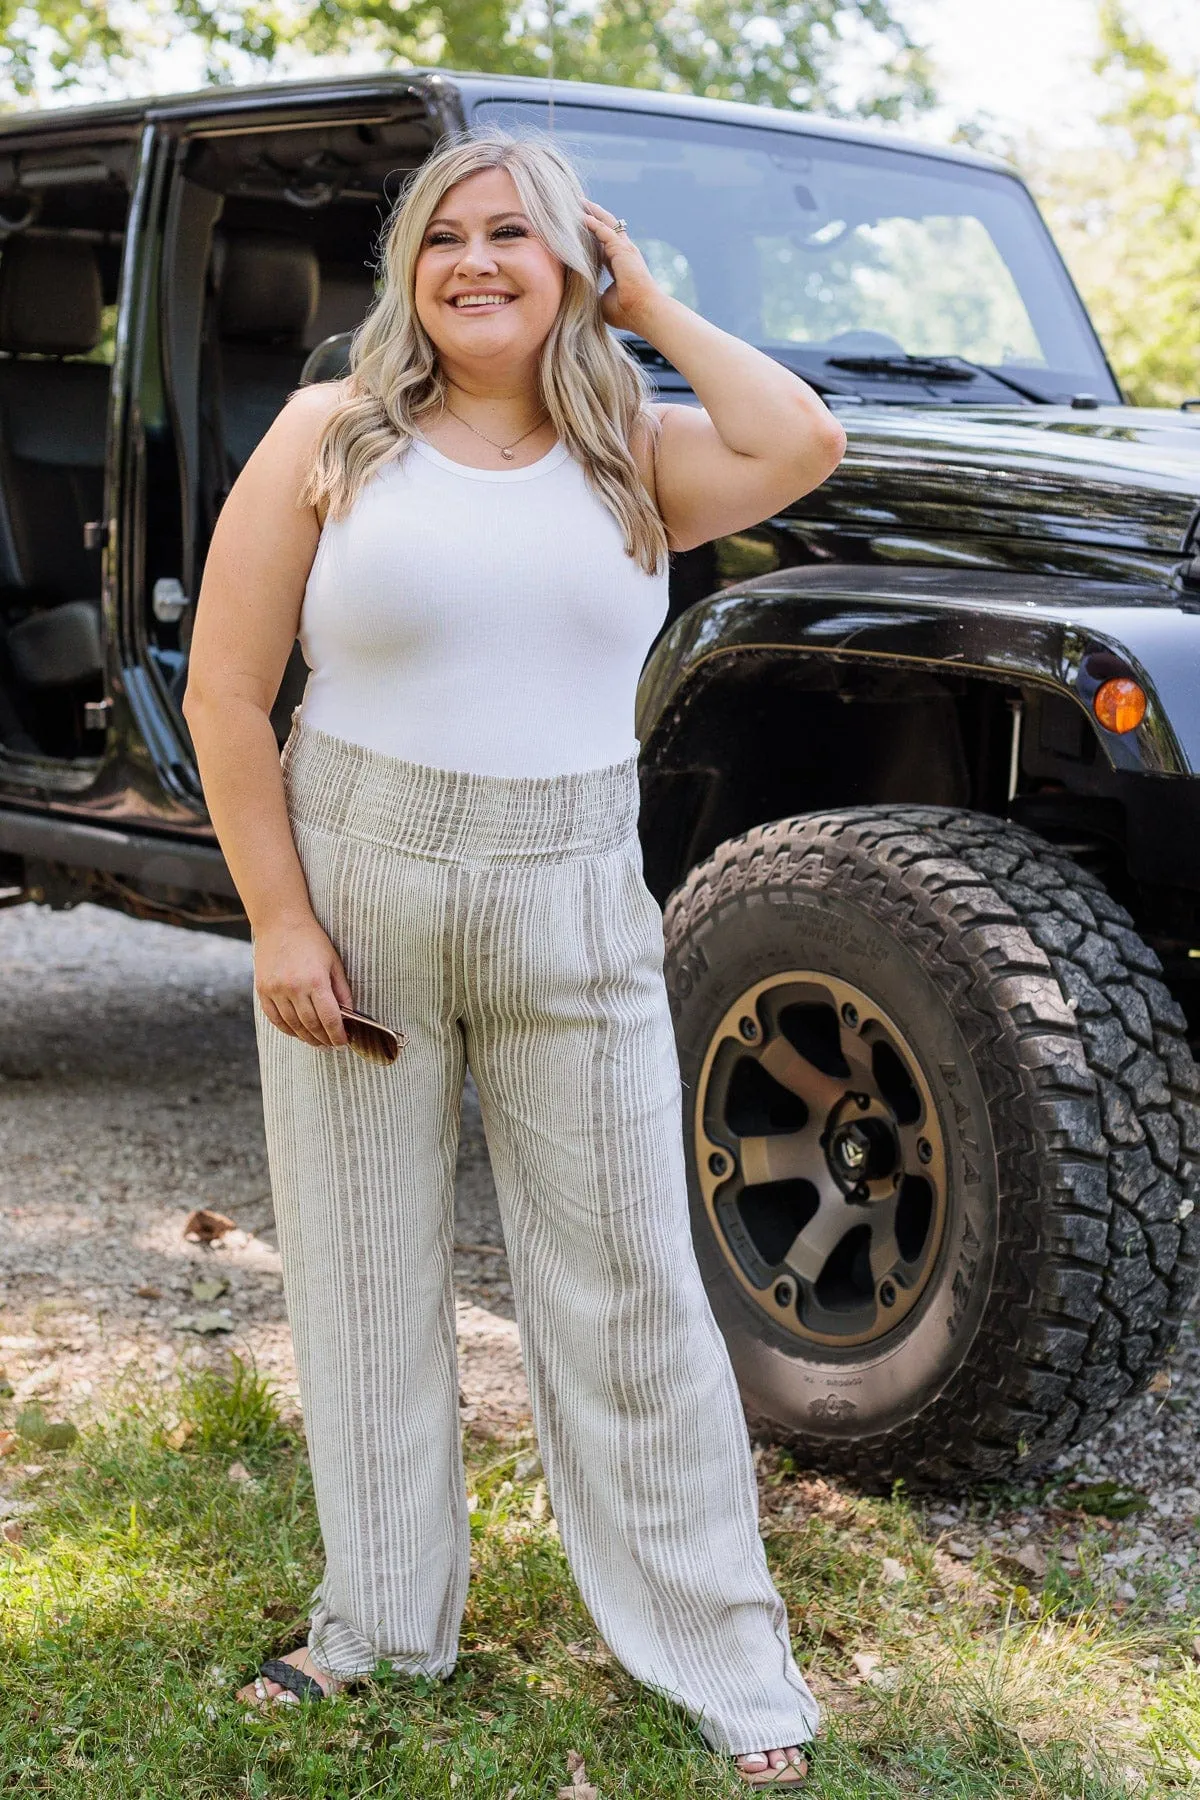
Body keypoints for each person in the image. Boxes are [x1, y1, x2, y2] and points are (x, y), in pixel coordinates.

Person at [183, 126, 846, 1788]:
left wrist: (655, 305)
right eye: (444, 238)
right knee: (360, 1279)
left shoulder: (637, 451)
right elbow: (224, 693)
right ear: (407, 269)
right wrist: (279, 921)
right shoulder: (330, 436)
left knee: (631, 1286)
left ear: (573, 269)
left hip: (572, 902)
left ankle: (718, 1652)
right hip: (360, 884)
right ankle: (382, 1625)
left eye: (517, 239)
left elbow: (806, 439)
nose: (475, 263)